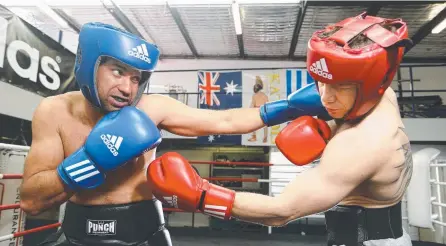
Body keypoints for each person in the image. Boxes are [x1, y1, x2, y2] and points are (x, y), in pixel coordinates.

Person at [19, 22, 329, 245]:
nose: (128, 88)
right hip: (76, 232)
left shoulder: (153, 108)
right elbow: (32, 202)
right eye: (117, 72)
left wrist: (288, 107)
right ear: (90, 65)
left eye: (136, 78)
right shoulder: (53, 111)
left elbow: (226, 122)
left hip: (145, 230)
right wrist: (90, 160)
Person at [147, 12, 415, 246]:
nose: (325, 97)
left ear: (371, 82)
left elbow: (282, 211)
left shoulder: (361, 144)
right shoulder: (382, 93)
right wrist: (299, 112)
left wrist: (202, 196)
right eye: (321, 82)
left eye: (340, 86)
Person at [248, 76, 269, 143]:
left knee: (254, 124)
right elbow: (267, 103)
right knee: (265, 124)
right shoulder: (265, 95)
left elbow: (252, 105)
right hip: (264, 110)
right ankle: (265, 137)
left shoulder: (255, 96)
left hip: (257, 110)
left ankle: (254, 136)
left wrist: (249, 110)